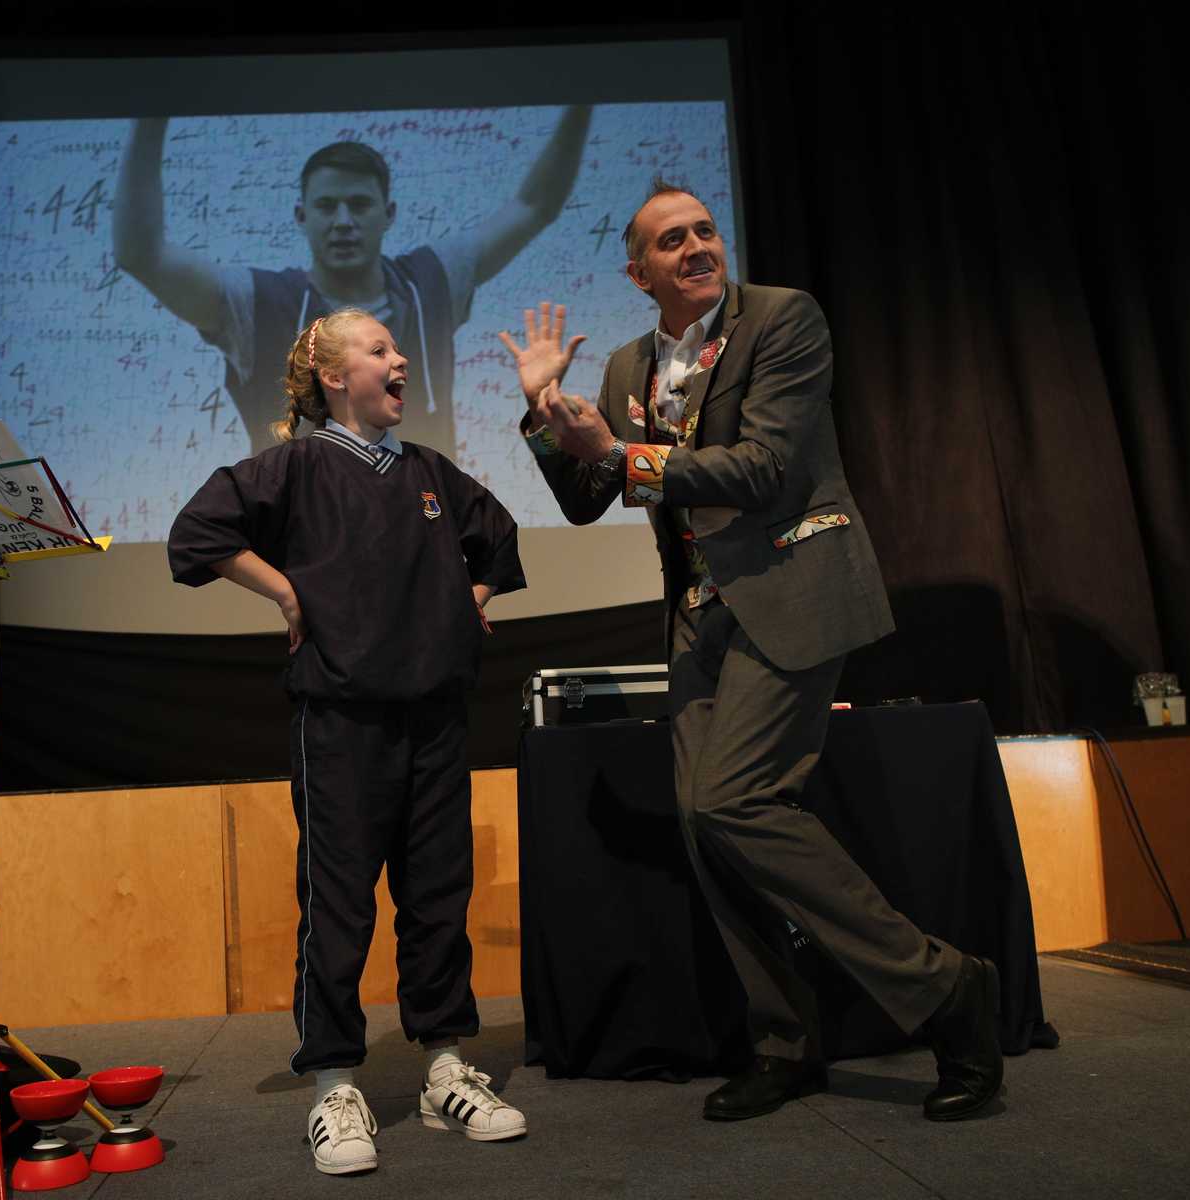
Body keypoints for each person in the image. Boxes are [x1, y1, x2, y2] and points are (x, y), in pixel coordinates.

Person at [497, 182, 1005, 1123]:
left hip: (795, 584)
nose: (695, 246)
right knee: (704, 823)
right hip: (698, 611)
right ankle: (784, 1041)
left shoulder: (783, 319)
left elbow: (768, 468)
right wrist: (540, 413)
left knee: (735, 798)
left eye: (703, 230)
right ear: (637, 271)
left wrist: (624, 453)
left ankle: (944, 987)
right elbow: (583, 494)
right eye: (669, 239)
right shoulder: (623, 365)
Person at [168, 308, 529, 1175]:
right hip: (339, 721)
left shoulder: (431, 473)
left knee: (438, 896)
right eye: (379, 350)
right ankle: (334, 1081)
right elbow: (197, 534)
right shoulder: (293, 466)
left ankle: (444, 1067)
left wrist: (472, 597)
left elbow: (499, 541)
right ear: (334, 377)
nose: (401, 359)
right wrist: (287, 596)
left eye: (399, 348)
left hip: (436, 719)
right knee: (339, 907)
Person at [117, 107, 592, 458]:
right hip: (304, 545)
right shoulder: (258, 301)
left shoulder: (432, 282)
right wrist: (152, 113)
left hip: (422, 526)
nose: (343, 220)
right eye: (326, 207)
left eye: (359, 205)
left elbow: (534, 206)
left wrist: (584, 98)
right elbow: (141, 255)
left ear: (388, 215)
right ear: (301, 216)